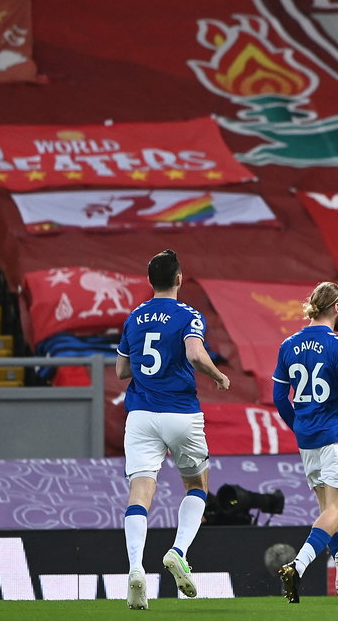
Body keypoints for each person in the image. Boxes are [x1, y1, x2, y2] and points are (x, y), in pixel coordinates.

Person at [115, 249, 230, 610]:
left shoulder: (134, 317)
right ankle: (178, 551)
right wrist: (218, 375)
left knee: (140, 491)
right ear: (179, 279)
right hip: (181, 413)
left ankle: (136, 569)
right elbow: (195, 354)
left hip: (141, 416)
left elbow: (121, 371)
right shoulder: (189, 315)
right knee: (197, 485)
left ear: (150, 281)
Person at [272, 282, 338, 603]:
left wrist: (297, 425)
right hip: (336, 435)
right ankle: (298, 567)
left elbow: (279, 396)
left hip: (308, 440)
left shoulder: (288, 344)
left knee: (329, 514)